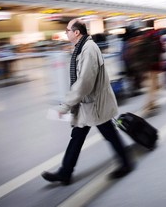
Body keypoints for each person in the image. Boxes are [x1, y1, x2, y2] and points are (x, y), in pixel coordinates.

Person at [41, 19, 133, 185]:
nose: (65, 32)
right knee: (77, 136)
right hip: (87, 104)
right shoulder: (81, 47)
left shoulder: (88, 49)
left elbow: (84, 82)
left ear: (76, 32)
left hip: (95, 104)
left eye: (67, 30)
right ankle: (65, 172)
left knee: (109, 133)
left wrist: (66, 105)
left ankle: (126, 163)